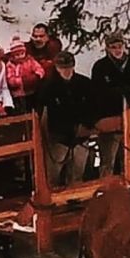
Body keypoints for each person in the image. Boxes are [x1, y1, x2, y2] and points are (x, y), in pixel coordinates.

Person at [91, 31, 130, 177]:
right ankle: (106, 187)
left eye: (119, 46)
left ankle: (129, 185)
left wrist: (129, 91)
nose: (117, 50)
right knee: (108, 158)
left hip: (128, 115)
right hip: (108, 116)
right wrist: (115, 92)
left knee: (128, 156)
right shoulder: (100, 66)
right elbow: (98, 91)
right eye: (113, 47)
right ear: (107, 48)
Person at [36, 51, 97, 186]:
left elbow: (94, 107)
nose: (66, 71)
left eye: (69, 67)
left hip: (81, 136)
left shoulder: (84, 83)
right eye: (63, 68)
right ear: (57, 68)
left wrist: (87, 124)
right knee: (53, 175)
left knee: (77, 174)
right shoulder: (48, 87)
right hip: (59, 138)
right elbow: (42, 112)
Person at [6, 35, 45, 112]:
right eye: (17, 55)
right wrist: (21, 81)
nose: (20, 56)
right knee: (22, 110)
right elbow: (10, 79)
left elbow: (39, 69)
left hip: (32, 90)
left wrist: (36, 76)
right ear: (13, 56)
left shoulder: (30, 61)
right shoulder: (10, 65)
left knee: (34, 108)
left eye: (22, 54)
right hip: (19, 93)